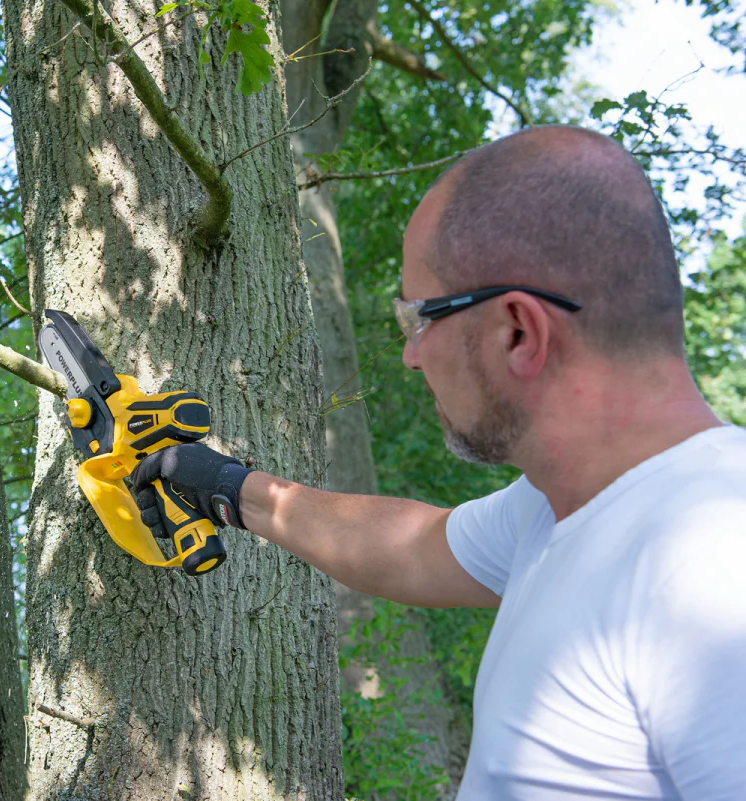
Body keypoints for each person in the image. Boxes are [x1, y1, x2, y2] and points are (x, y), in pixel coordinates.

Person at [130, 125, 746, 800]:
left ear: (518, 331)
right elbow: (408, 547)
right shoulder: (555, 511)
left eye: (418, 319)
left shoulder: (711, 564)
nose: (411, 355)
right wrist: (222, 485)